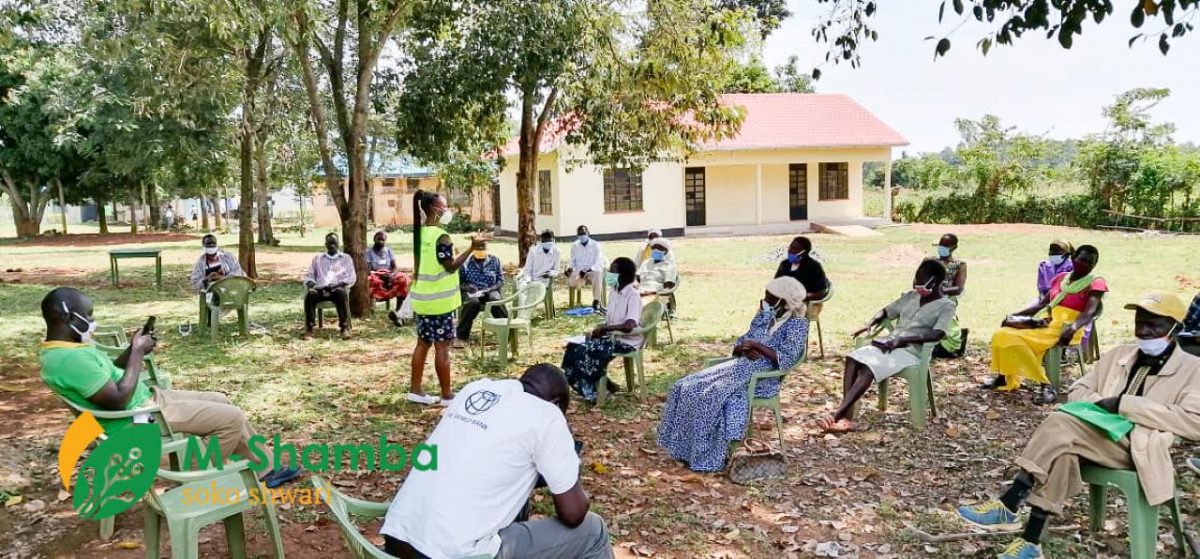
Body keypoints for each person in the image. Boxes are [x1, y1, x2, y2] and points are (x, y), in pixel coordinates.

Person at [956, 292, 1200, 559]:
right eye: (1140, 322)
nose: (1144, 331)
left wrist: (1125, 405)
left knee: (1061, 421)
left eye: (1155, 325)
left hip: (1139, 446)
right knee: (1063, 448)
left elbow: (1193, 422)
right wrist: (1100, 406)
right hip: (1091, 434)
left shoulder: (1193, 369)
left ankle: (1011, 500)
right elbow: (1078, 389)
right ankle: (1030, 542)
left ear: (1175, 328)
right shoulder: (1120, 354)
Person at [38, 287, 301, 486]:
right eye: (88, 315)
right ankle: (196, 472)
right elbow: (117, 399)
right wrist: (139, 354)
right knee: (233, 419)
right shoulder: (69, 360)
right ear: (66, 316)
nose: (92, 321)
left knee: (220, 400)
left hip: (146, 402)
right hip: (135, 420)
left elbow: (112, 372)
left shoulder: (70, 346)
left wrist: (132, 348)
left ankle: (263, 468)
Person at [380, 364, 612, 559]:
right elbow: (573, 513)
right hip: (450, 553)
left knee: (518, 498)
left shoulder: (476, 388)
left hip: (397, 540)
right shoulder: (547, 414)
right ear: (556, 403)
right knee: (594, 530)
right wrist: (569, 462)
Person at [657, 277, 810, 472]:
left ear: (784, 300)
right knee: (684, 386)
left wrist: (758, 347)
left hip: (762, 377)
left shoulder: (797, 325)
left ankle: (706, 457)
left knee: (710, 395)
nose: (765, 301)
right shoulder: (766, 316)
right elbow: (743, 341)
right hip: (739, 367)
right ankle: (684, 450)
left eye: (770, 298)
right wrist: (743, 348)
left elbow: (786, 360)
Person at [820, 260, 956, 433]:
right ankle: (847, 417)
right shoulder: (912, 296)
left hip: (912, 353)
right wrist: (869, 323)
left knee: (868, 368)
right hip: (889, 344)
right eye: (916, 280)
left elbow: (938, 333)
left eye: (921, 282)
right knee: (853, 358)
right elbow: (886, 311)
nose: (917, 285)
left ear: (934, 282)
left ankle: (837, 416)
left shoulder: (947, 306)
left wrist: (905, 339)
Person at [985, 245, 1107, 403]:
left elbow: (1088, 313)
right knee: (1001, 334)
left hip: (1068, 326)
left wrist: (1072, 328)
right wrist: (1016, 315)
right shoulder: (1062, 278)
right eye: (1081, 260)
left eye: (1090, 262)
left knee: (1016, 340)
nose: (1085, 265)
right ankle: (1003, 377)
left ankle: (1046, 385)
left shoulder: (1096, 283)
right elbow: (1042, 304)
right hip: (1046, 320)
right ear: (1073, 258)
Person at [407, 190, 487, 406]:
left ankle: (415, 390)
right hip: (439, 303)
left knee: (422, 344)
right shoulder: (441, 237)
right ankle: (446, 395)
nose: (447, 210)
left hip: (422, 300)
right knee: (442, 348)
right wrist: (471, 247)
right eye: (444, 206)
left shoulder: (419, 235)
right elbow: (450, 266)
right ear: (434, 210)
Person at [560, 257, 641, 402]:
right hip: (611, 336)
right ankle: (604, 385)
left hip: (626, 340)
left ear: (623, 274)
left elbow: (629, 326)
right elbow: (612, 320)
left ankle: (598, 392)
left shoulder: (633, 295)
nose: (609, 273)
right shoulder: (614, 293)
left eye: (613, 271)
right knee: (574, 347)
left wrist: (605, 329)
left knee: (591, 350)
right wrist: (597, 330)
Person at [303, 233, 356, 339]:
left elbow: (352, 277)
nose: (332, 246)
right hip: (320, 289)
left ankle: (344, 328)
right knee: (310, 295)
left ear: (338, 244)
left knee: (341, 294)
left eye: (334, 243)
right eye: (330, 243)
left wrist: (339, 284)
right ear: (325, 244)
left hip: (337, 288)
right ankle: (309, 329)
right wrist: (311, 282)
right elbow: (310, 275)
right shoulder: (318, 259)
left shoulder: (346, 258)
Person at [455, 239, 507, 347]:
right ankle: (461, 336)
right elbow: (457, 283)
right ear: (473, 249)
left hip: (490, 290)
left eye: (482, 248)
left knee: (495, 301)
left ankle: (506, 332)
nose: (480, 250)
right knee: (471, 304)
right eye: (477, 248)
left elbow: (500, 281)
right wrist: (467, 287)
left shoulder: (494, 260)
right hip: (472, 293)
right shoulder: (466, 263)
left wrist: (490, 289)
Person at [188, 235, 245, 328]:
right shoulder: (201, 262)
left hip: (229, 287)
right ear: (203, 246)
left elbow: (238, 271)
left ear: (216, 244)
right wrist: (208, 278)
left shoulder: (227, 256)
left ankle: (214, 315)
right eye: (208, 244)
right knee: (212, 294)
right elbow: (195, 280)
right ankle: (211, 319)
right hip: (211, 289)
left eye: (213, 243)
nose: (210, 246)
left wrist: (222, 278)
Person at [930, 233, 968, 359]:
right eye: (941, 244)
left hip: (946, 299)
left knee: (949, 327)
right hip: (927, 296)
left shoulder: (959, 264)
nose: (942, 248)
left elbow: (958, 288)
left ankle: (950, 344)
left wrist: (940, 291)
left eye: (946, 245)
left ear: (954, 247)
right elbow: (916, 281)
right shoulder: (930, 261)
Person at [365, 230, 412, 326]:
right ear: (374, 239)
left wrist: (392, 275)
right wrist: (381, 275)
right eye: (378, 239)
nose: (380, 242)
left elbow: (394, 267)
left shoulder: (388, 251)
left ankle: (398, 310)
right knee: (371, 280)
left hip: (389, 274)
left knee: (403, 278)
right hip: (376, 274)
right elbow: (368, 268)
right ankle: (372, 308)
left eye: (383, 240)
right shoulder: (369, 252)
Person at [773, 236, 830, 302]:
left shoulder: (814, 267)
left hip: (807, 302)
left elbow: (821, 293)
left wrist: (804, 296)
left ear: (803, 253)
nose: (790, 250)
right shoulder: (785, 264)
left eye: (794, 248)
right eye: (790, 247)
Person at [566, 225, 606, 312]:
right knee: (572, 281)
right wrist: (569, 268)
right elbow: (572, 261)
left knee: (598, 273)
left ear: (588, 233)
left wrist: (588, 270)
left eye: (583, 233)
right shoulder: (574, 245)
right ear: (577, 235)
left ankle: (596, 301)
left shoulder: (596, 245)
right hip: (579, 272)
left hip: (592, 271)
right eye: (580, 234)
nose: (582, 236)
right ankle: (574, 300)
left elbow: (599, 262)